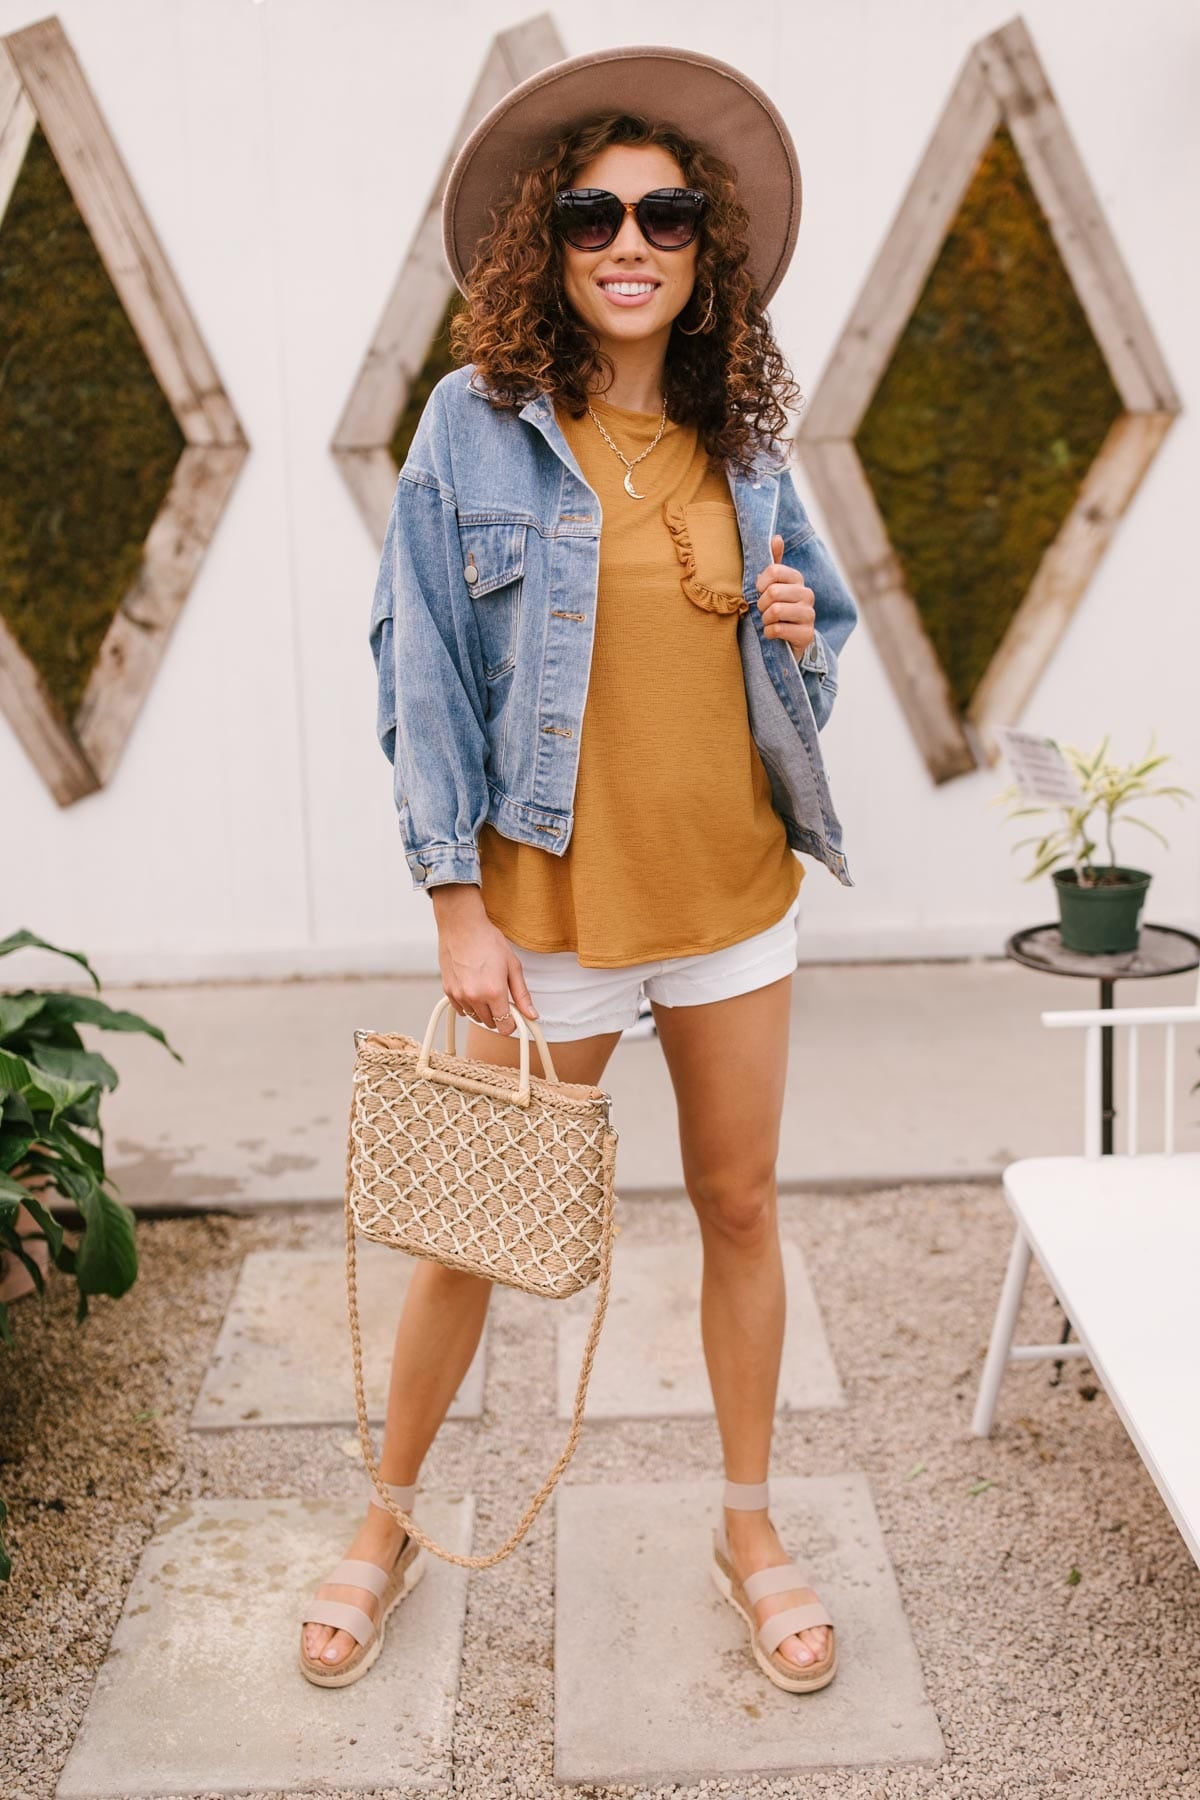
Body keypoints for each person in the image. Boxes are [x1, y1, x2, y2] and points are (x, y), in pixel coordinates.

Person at [300, 43, 857, 1697]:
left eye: (665, 216)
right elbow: (416, 668)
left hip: (731, 903)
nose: (631, 243)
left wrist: (792, 634)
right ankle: (388, 1519)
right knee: (470, 1232)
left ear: (704, 251)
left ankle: (747, 1525)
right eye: (594, 215)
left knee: (740, 1205)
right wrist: (455, 905)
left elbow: (811, 647)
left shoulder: (744, 443)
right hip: (546, 918)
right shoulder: (469, 432)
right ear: (543, 245)